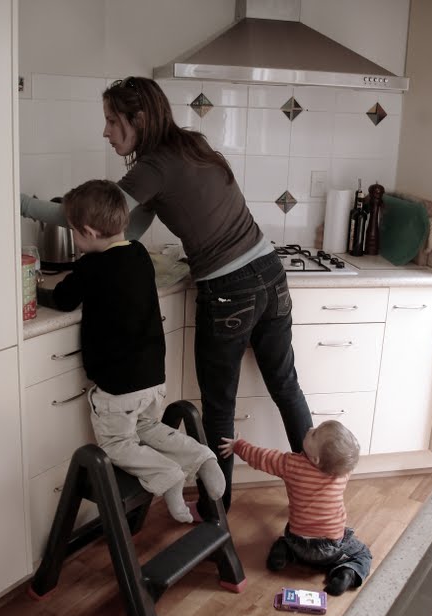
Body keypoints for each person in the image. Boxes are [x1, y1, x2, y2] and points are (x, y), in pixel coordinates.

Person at [21, 76, 313, 520]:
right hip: (270, 273)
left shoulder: (152, 167)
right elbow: (125, 230)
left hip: (229, 290)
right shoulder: (192, 145)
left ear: (138, 119)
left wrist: (20, 204)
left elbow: (93, 216)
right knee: (287, 388)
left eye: (112, 121)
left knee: (220, 406)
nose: (105, 132)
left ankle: (216, 513)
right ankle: (317, 494)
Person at [37, 178, 225, 524]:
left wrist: (36, 293)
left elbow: (64, 299)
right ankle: (201, 457)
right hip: (152, 379)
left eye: (73, 232)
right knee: (148, 428)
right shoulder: (138, 253)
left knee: (116, 444)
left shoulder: (91, 266)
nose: (74, 239)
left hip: (118, 388)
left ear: (88, 232)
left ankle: (166, 475)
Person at [219, 420, 372, 596]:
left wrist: (238, 446)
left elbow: (261, 457)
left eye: (314, 433)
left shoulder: (290, 464)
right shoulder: (342, 473)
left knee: (286, 539)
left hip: (297, 541)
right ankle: (347, 572)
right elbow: (347, 460)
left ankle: (284, 553)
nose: (310, 428)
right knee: (363, 554)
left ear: (316, 458)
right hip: (330, 549)